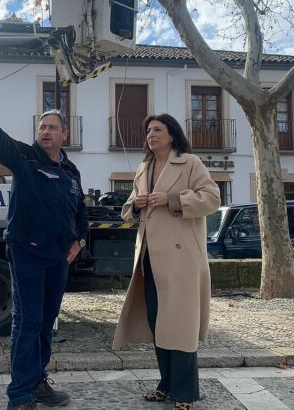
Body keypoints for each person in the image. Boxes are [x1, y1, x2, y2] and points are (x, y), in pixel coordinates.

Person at [0, 92, 88, 410]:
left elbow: (80, 212)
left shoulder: (71, 172)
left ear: (64, 134)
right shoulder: (25, 158)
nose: (45, 131)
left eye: (51, 127)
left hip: (58, 258)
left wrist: (80, 240)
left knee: (47, 323)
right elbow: (0, 143)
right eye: (41, 127)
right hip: (27, 252)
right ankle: (19, 396)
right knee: (27, 323)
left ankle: (37, 383)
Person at [112, 113, 220, 410]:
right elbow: (127, 210)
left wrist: (172, 200)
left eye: (157, 129)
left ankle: (185, 392)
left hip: (181, 259)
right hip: (149, 259)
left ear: (172, 135)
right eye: (148, 130)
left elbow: (211, 198)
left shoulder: (190, 163)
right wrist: (136, 204)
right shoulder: (143, 168)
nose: (151, 134)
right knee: (159, 323)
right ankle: (167, 383)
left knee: (180, 326)